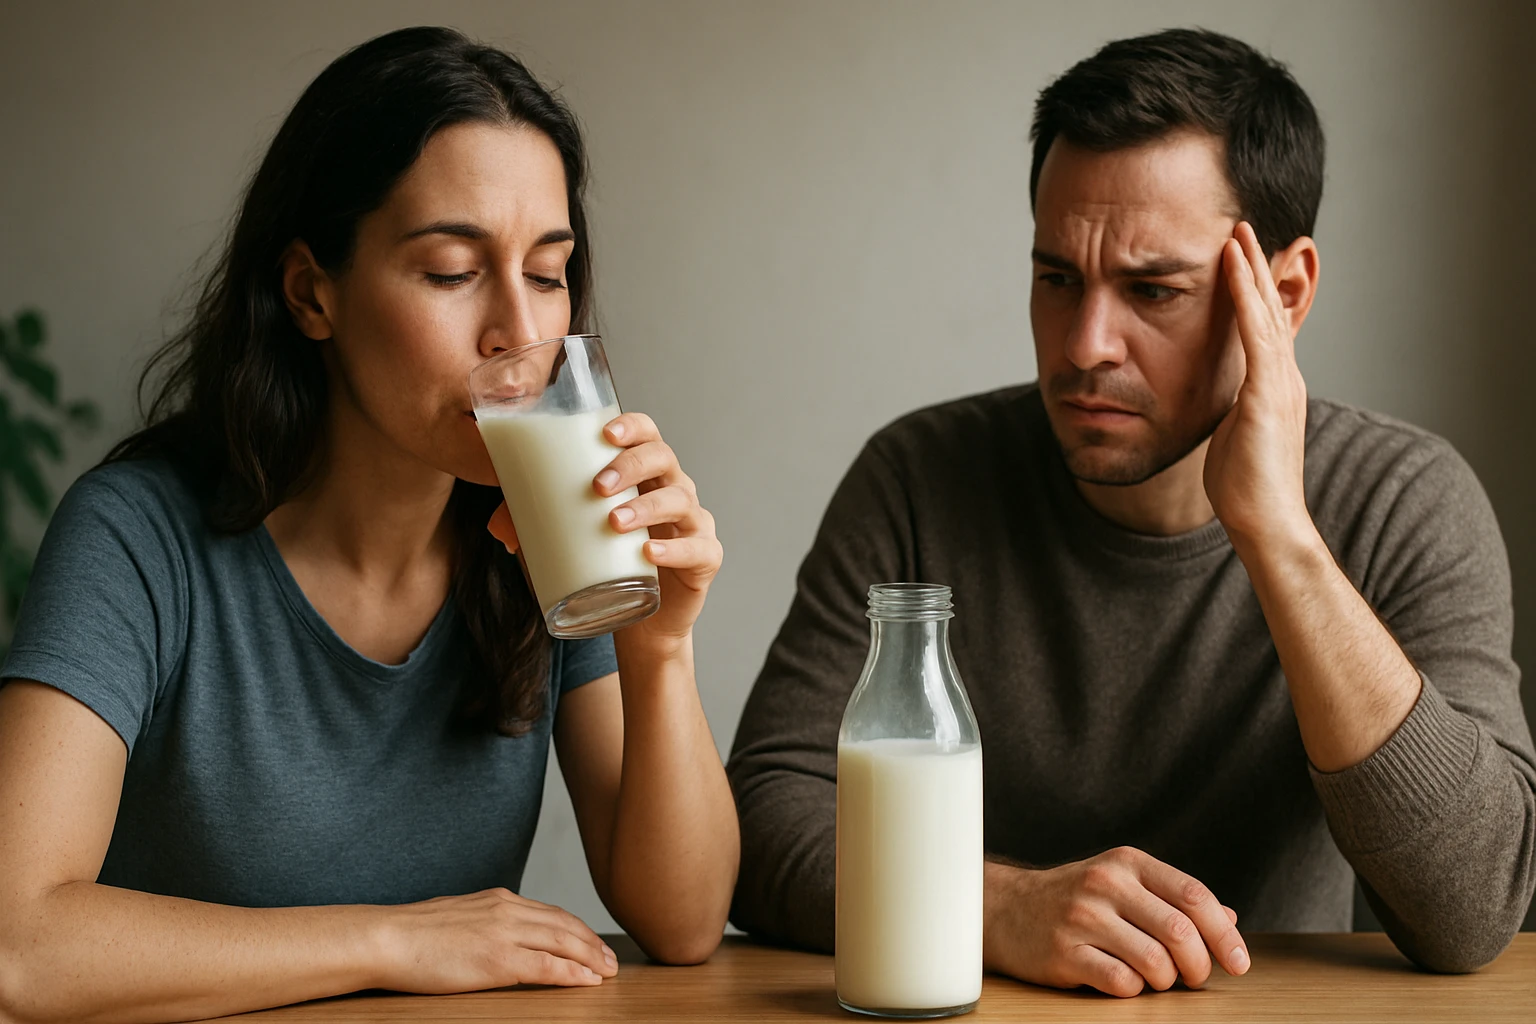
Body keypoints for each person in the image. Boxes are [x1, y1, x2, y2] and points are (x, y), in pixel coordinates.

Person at [727, 27, 1536, 998]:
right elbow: (767, 819)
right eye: (1057, 278)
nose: (1085, 345)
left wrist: (1279, 536)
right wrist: (992, 906)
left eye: (1154, 290)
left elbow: (1475, 906)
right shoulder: (919, 478)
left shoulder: (1404, 499)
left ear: (1282, 293)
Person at [0, 26, 736, 1022]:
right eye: (450, 270)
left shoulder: (544, 538)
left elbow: (685, 923)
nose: (520, 332)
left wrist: (661, 648)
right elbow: (17, 945)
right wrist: (392, 938)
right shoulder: (139, 538)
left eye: (549, 271)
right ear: (312, 293)